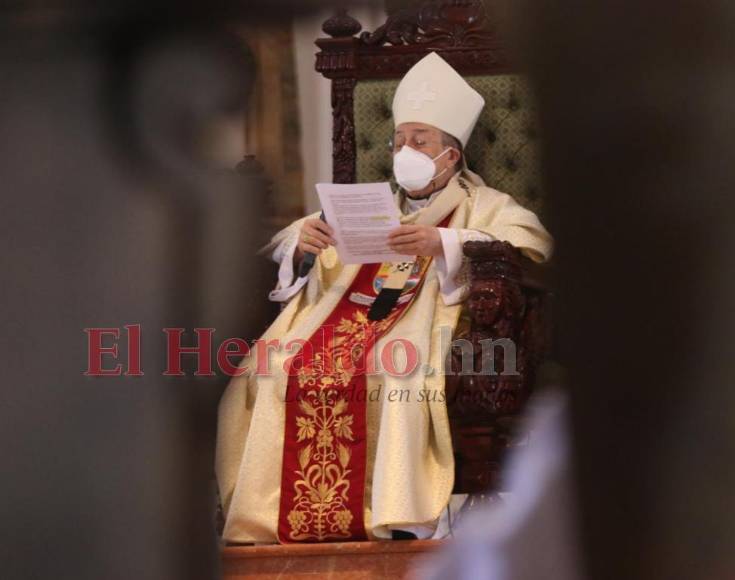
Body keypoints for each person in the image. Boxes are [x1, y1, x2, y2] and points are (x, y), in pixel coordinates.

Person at [215, 51, 554, 544]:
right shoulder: (367, 206)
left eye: (419, 140)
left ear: (451, 154)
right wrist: (303, 243)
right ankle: (267, 518)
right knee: (273, 367)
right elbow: (288, 250)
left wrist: (444, 243)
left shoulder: (485, 206)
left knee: (398, 368)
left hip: (424, 327)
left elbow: (530, 248)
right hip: (344, 323)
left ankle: (392, 515)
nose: (404, 150)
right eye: (398, 141)